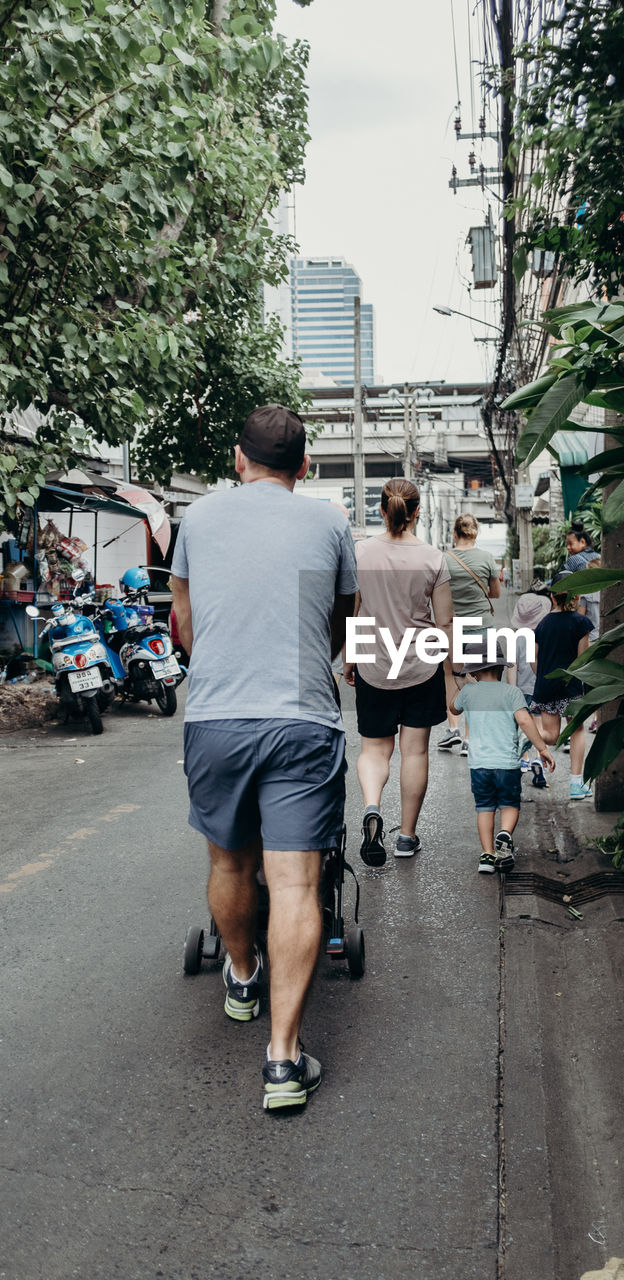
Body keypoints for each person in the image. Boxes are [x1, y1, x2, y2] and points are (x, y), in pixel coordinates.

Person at [170, 404, 357, 1113]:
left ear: (238, 459)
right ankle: (283, 1059)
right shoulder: (329, 522)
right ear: (303, 467)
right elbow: (340, 619)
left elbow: (182, 618)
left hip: (217, 714)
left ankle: (242, 976)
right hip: (302, 719)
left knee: (228, 862)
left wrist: (217, 663)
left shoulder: (199, 519)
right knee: (299, 885)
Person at [344, 477, 453, 864]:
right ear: (417, 511)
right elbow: (444, 625)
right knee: (414, 751)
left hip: (374, 664)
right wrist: (452, 679)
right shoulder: (433, 558)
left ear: (380, 509)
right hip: (421, 667)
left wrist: (350, 661)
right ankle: (406, 837)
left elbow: (353, 611)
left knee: (374, 749)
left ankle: (373, 806)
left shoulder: (360, 554)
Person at [450, 640, 555, 874]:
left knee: (484, 807)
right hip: (507, 764)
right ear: (500, 668)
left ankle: (487, 855)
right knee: (509, 804)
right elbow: (525, 721)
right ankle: (505, 833)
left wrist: (463, 685)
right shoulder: (512, 692)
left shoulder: (468, 692)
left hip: (479, 765)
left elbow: (453, 709)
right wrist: (542, 748)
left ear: (474, 672)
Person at [437, 513, 501, 755]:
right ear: (475, 533)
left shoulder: (444, 559)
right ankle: (469, 739)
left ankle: (452, 728)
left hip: (453, 629)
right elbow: (495, 594)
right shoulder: (486, 558)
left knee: (450, 676)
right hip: (482, 627)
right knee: (479, 681)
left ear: (455, 533)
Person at [531, 581, 594, 799]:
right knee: (576, 731)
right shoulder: (581, 623)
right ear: (576, 597)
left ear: (553, 598)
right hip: (571, 687)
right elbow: (582, 660)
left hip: (546, 685)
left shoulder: (542, 624)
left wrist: (544, 677)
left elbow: (534, 659)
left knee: (551, 735)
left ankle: (524, 735)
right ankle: (576, 784)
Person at [510, 584, 552, 772]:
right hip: (541, 688)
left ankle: (524, 759)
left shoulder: (516, 637)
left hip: (521, 689)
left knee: (521, 724)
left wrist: (512, 690)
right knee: (539, 723)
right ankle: (539, 757)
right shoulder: (544, 636)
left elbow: (512, 666)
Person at [561, 522, 601, 640]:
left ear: (582, 542)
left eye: (570, 544)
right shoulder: (599, 556)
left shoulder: (573, 560)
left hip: (582, 602)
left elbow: (563, 581)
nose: (568, 547)